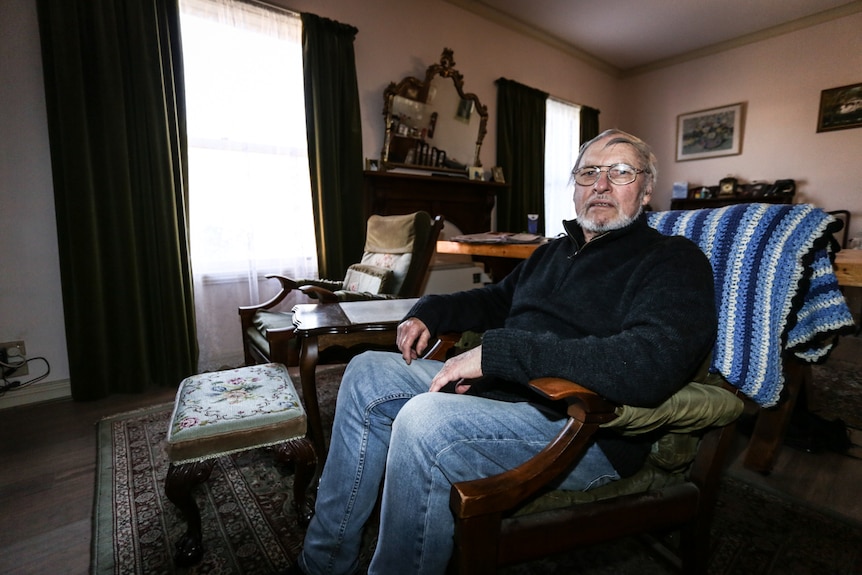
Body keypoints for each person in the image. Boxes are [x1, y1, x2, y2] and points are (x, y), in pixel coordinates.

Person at [290, 129, 717, 575]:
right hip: (503, 394)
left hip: (581, 426)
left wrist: (499, 354)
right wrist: (429, 311)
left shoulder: (673, 259)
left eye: (621, 172)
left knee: (425, 419)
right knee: (365, 372)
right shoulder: (552, 252)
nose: (601, 184)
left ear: (647, 190)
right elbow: (495, 300)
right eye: (589, 172)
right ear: (575, 188)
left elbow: (651, 362)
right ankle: (322, 562)